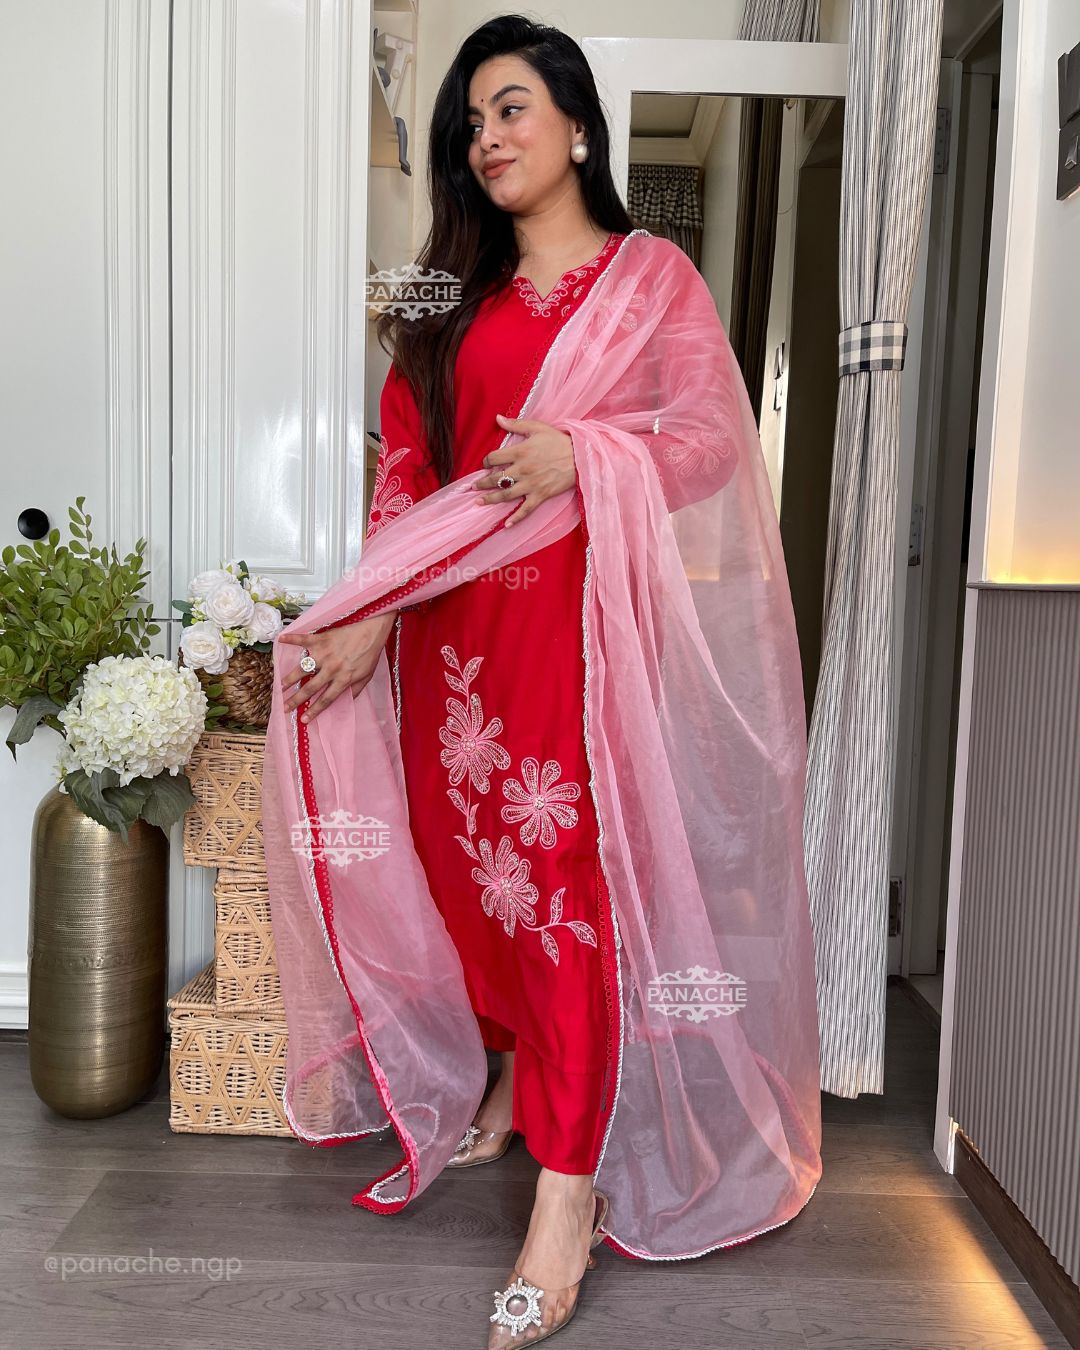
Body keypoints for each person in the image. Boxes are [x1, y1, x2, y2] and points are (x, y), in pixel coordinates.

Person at [263, 15, 822, 1350]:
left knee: (562, 893)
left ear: (578, 124)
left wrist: (589, 456)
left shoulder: (649, 279)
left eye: (512, 108)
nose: (487, 138)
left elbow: (708, 441)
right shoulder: (452, 297)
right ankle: (515, 1088)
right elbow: (413, 467)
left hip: (574, 648)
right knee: (476, 889)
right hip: (452, 643)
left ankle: (566, 1198)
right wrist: (372, 616)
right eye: (471, 121)